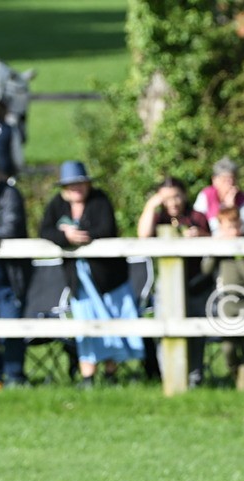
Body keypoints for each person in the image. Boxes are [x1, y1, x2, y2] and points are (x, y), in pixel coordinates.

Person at [39, 161, 142, 387]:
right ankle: (88, 376)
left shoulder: (100, 200)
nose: (76, 188)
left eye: (80, 183)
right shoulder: (57, 204)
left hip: (108, 277)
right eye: (71, 185)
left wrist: (80, 236)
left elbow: (106, 229)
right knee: (85, 321)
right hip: (79, 280)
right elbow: (45, 230)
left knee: (113, 320)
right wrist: (65, 238)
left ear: (87, 184)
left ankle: (111, 374)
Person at [138, 176, 212, 387]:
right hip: (168, 287)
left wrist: (200, 236)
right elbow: (143, 235)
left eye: (177, 196)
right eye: (168, 198)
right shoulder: (159, 218)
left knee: (197, 333)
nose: (174, 202)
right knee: (166, 331)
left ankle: (194, 378)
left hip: (196, 283)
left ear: (185, 195)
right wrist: (152, 204)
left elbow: (213, 243)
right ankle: (168, 378)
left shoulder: (196, 217)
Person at [207, 206, 244, 390]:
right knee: (227, 346)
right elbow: (206, 269)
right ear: (220, 228)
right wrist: (217, 248)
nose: (233, 231)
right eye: (228, 227)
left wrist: (239, 251)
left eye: (236, 226)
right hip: (225, 302)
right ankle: (234, 371)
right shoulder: (220, 250)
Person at [0, 150, 27, 389]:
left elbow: (13, 225)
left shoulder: (9, 194)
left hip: (7, 277)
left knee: (12, 329)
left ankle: (14, 377)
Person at [193, 156, 244, 234]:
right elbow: (196, 221)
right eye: (225, 179)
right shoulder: (206, 195)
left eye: (233, 179)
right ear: (214, 180)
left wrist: (231, 208)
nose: (230, 183)